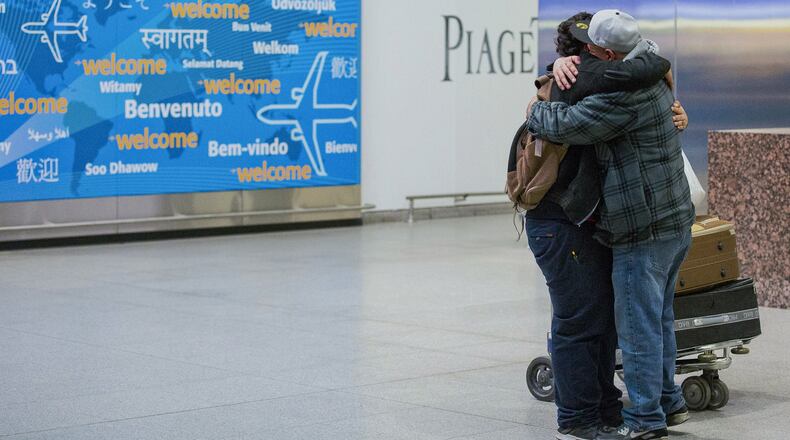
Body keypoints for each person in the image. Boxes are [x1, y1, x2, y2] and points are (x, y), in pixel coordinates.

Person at [526, 9, 696, 440]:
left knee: (638, 328)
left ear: (603, 53)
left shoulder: (622, 92)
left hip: (643, 227)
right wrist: (552, 77)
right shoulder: (651, 69)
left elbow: (567, 124)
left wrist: (534, 109)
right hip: (671, 221)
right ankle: (667, 402)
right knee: (655, 320)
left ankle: (644, 419)